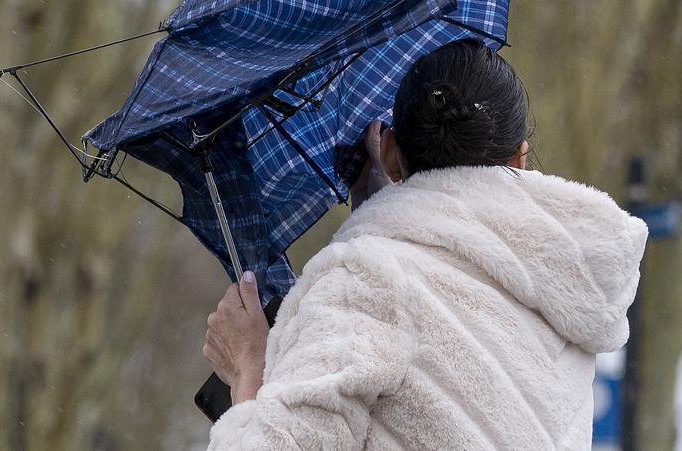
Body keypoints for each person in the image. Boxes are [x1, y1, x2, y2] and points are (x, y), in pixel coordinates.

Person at [202, 40, 647, 449]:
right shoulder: (566, 292)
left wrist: (249, 367)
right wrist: (383, 221)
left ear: (390, 152)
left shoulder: (367, 283)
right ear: (520, 157)